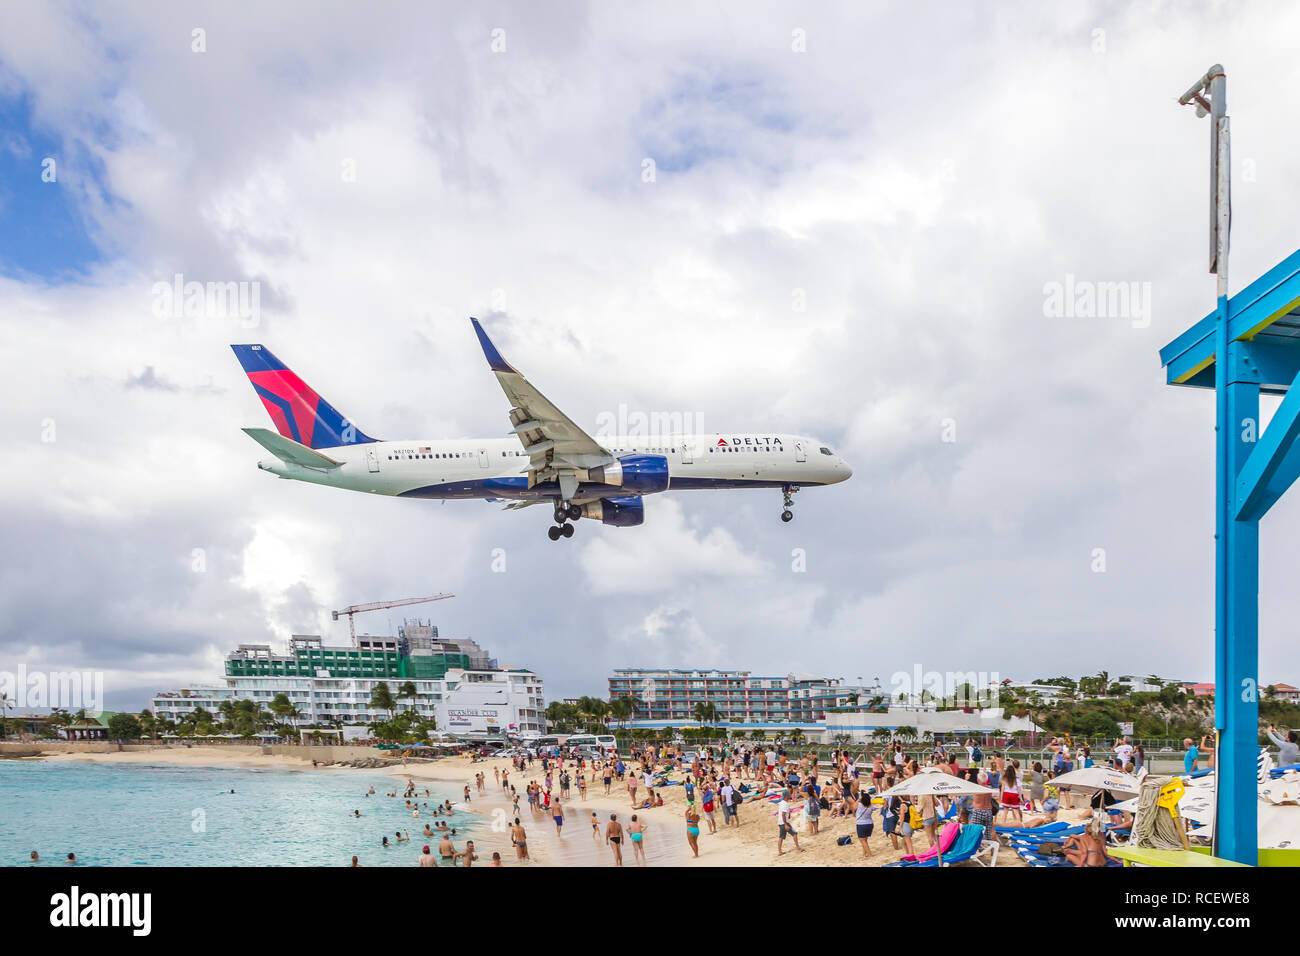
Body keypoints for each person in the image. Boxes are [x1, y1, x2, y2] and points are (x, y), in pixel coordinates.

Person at [776, 788, 803, 856]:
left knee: (781, 837)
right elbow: (783, 814)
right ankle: (798, 847)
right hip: (784, 823)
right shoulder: (785, 804)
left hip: (781, 822)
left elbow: (783, 813)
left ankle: (779, 851)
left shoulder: (782, 802)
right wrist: (785, 824)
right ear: (786, 796)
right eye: (788, 795)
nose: (790, 795)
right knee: (794, 834)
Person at [854, 792, 874, 859]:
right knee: (865, 840)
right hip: (870, 824)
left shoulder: (859, 805)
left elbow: (853, 807)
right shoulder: (871, 806)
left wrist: (858, 799)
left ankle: (869, 855)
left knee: (862, 841)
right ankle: (864, 854)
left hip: (861, 824)